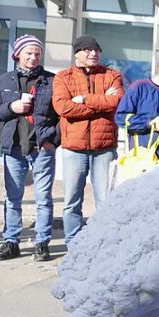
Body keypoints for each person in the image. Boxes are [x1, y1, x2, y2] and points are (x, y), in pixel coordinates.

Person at [0, 34, 60, 262]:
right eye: (28, 53)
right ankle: (11, 241)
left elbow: (62, 116)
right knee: (13, 198)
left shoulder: (52, 80)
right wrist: (12, 107)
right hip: (14, 148)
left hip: (42, 148)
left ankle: (41, 242)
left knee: (43, 198)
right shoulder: (5, 80)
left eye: (37, 53)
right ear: (18, 54)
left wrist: (53, 140)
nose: (33, 57)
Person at [52, 34, 123, 246]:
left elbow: (116, 101)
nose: (93, 54)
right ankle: (73, 243)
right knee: (72, 201)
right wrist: (100, 105)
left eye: (96, 50)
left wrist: (84, 99)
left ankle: (104, 242)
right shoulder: (63, 77)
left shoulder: (112, 75)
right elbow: (63, 108)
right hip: (74, 147)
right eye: (87, 50)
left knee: (106, 200)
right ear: (77, 53)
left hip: (105, 147)